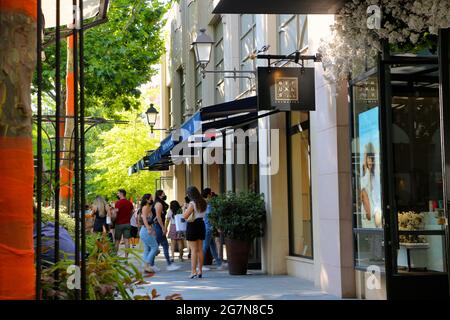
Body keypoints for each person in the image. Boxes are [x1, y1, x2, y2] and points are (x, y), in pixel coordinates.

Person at [153, 190, 180, 271]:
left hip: (158, 226)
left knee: (162, 245)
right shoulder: (158, 204)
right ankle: (151, 264)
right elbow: (158, 217)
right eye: (163, 194)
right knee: (157, 246)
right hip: (158, 226)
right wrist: (163, 227)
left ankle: (152, 264)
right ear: (159, 195)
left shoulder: (160, 203)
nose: (165, 195)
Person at [183, 186, 207, 279]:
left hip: (193, 225)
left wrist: (184, 208)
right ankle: (200, 271)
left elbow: (185, 216)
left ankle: (193, 271)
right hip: (201, 224)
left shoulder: (192, 203)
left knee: (193, 250)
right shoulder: (204, 202)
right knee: (200, 249)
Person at [201, 188, 224, 270]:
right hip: (208, 228)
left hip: (206, 227)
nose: (212, 193)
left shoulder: (203, 203)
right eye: (210, 192)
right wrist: (217, 227)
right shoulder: (209, 204)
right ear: (208, 194)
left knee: (212, 245)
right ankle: (199, 265)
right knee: (205, 246)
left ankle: (219, 264)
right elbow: (211, 218)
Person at [138, 194, 159, 273]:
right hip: (146, 230)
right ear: (147, 200)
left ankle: (145, 266)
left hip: (146, 229)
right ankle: (147, 264)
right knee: (155, 247)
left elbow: (148, 218)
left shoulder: (147, 207)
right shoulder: (145, 207)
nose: (152, 200)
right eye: (150, 198)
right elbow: (144, 219)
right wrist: (148, 228)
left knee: (147, 249)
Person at [113, 189, 134, 259]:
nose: (117, 194)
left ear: (122, 194)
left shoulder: (118, 203)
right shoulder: (130, 203)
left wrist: (113, 220)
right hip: (127, 223)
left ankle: (115, 257)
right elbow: (132, 212)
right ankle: (126, 258)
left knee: (117, 241)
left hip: (119, 224)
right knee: (127, 241)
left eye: (118, 193)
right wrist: (128, 218)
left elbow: (115, 214)